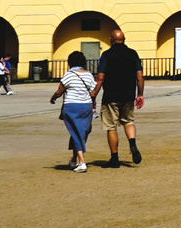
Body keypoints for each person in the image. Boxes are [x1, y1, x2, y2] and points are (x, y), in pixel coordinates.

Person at [95, 29, 144, 167]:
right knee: (128, 121)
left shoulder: (106, 55)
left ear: (111, 40)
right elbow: (140, 76)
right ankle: (132, 144)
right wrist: (140, 94)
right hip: (128, 95)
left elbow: (100, 78)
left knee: (111, 126)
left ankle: (114, 158)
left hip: (111, 95)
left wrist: (93, 95)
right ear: (124, 39)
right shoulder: (132, 54)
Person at [50, 50, 98, 172]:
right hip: (86, 106)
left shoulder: (68, 75)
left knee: (76, 133)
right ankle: (74, 159)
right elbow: (93, 91)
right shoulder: (88, 75)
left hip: (71, 107)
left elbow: (59, 91)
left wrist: (53, 98)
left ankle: (81, 162)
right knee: (81, 132)